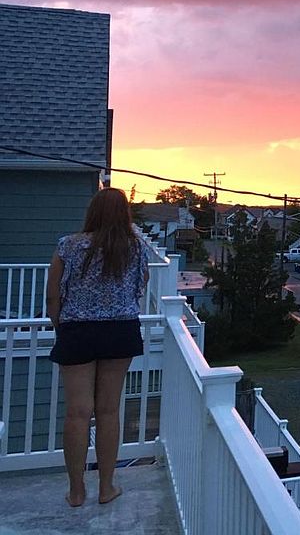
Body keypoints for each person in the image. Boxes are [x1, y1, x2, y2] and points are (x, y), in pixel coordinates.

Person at [46, 187, 149, 507]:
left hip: (77, 331)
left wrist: (62, 326)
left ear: (93, 211)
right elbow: (140, 286)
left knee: (77, 412)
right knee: (108, 410)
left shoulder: (68, 245)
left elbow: (52, 296)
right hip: (120, 331)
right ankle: (106, 487)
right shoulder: (135, 247)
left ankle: (77, 491)